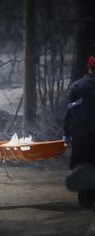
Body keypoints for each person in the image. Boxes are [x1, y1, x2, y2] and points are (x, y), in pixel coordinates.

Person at [63, 55, 95, 207]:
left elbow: (69, 111)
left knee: (82, 164)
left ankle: (84, 196)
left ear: (88, 67)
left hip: (80, 134)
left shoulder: (77, 86)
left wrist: (66, 132)